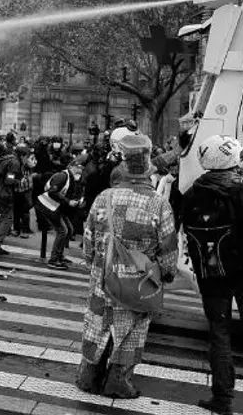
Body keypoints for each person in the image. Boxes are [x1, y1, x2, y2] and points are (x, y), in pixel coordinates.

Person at [181, 135, 243, 415]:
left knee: (219, 334)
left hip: (211, 274)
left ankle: (222, 399)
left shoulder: (192, 192)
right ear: (233, 159)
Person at [76, 133, 177, 398]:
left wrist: (94, 263)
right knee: (132, 329)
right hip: (139, 281)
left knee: (97, 323)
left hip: (103, 275)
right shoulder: (159, 204)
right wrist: (166, 274)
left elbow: (88, 242)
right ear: (147, 171)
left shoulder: (103, 198)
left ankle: (88, 375)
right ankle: (119, 380)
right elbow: (167, 250)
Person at [37, 153, 86, 270]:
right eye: (77, 168)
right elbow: (52, 191)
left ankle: (59, 255)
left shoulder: (73, 179)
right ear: (71, 166)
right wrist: (68, 201)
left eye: (81, 169)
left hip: (56, 207)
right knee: (62, 231)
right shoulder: (62, 176)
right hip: (47, 206)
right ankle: (53, 259)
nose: (79, 171)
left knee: (70, 230)